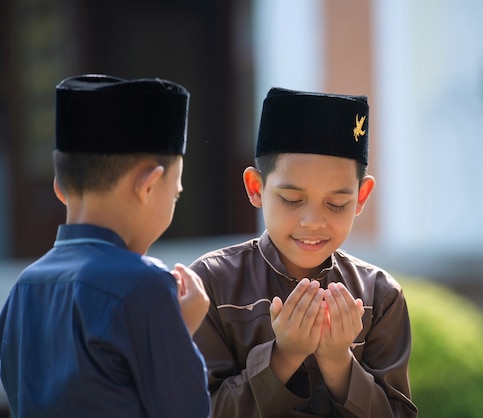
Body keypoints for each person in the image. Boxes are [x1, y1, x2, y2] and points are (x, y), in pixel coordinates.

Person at [190, 87, 418, 417]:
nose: (313, 222)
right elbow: (198, 410)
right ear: (257, 188)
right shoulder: (210, 284)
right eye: (292, 200)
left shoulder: (380, 297)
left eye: (336, 204)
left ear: (362, 196)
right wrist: (283, 357)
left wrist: (340, 362)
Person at [0, 74, 211, 418]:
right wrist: (178, 334)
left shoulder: (24, 288)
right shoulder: (146, 285)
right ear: (148, 186)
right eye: (175, 195)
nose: (173, 202)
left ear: (59, 187)